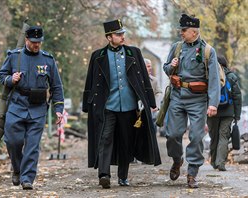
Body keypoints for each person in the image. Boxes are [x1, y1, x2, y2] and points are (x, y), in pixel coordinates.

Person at [82, 19, 161, 189]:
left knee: (127, 141)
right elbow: (90, 81)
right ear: (109, 37)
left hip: (129, 106)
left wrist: (150, 101)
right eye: (118, 34)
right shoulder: (98, 56)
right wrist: (86, 104)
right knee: (105, 138)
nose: (122, 36)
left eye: (123, 33)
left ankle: (123, 176)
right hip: (107, 106)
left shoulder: (134, 53)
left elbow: (144, 80)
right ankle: (104, 174)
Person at [0, 26, 64, 190]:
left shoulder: (48, 60)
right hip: (17, 105)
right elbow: (1, 75)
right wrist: (10, 79)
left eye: (39, 42)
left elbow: (56, 86)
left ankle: (27, 178)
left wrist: (58, 109)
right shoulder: (14, 57)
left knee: (32, 146)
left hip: (38, 109)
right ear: (26, 40)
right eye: (33, 42)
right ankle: (17, 169)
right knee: (13, 142)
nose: (37, 45)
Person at [163, 14, 220, 188]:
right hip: (177, 97)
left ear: (194, 32)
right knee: (172, 134)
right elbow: (166, 69)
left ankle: (192, 172)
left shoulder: (208, 51)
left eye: (184, 30)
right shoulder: (176, 47)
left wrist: (213, 103)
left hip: (198, 100)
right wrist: (171, 65)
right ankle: (177, 159)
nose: (181, 33)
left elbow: (215, 80)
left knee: (196, 136)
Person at [207, 55, 242, 171]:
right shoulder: (231, 77)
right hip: (228, 112)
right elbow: (237, 97)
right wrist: (237, 115)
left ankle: (213, 162)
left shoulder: (209, 76)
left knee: (214, 138)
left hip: (212, 111)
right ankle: (220, 162)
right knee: (224, 137)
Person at [144, 58, 161, 134]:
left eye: (150, 66)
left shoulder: (154, 80)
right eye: (148, 66)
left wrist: (156, 105)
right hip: (139, 111)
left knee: (152, 132)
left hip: (152, 111)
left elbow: (159, 93)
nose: (150, 68)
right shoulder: (136, 80)